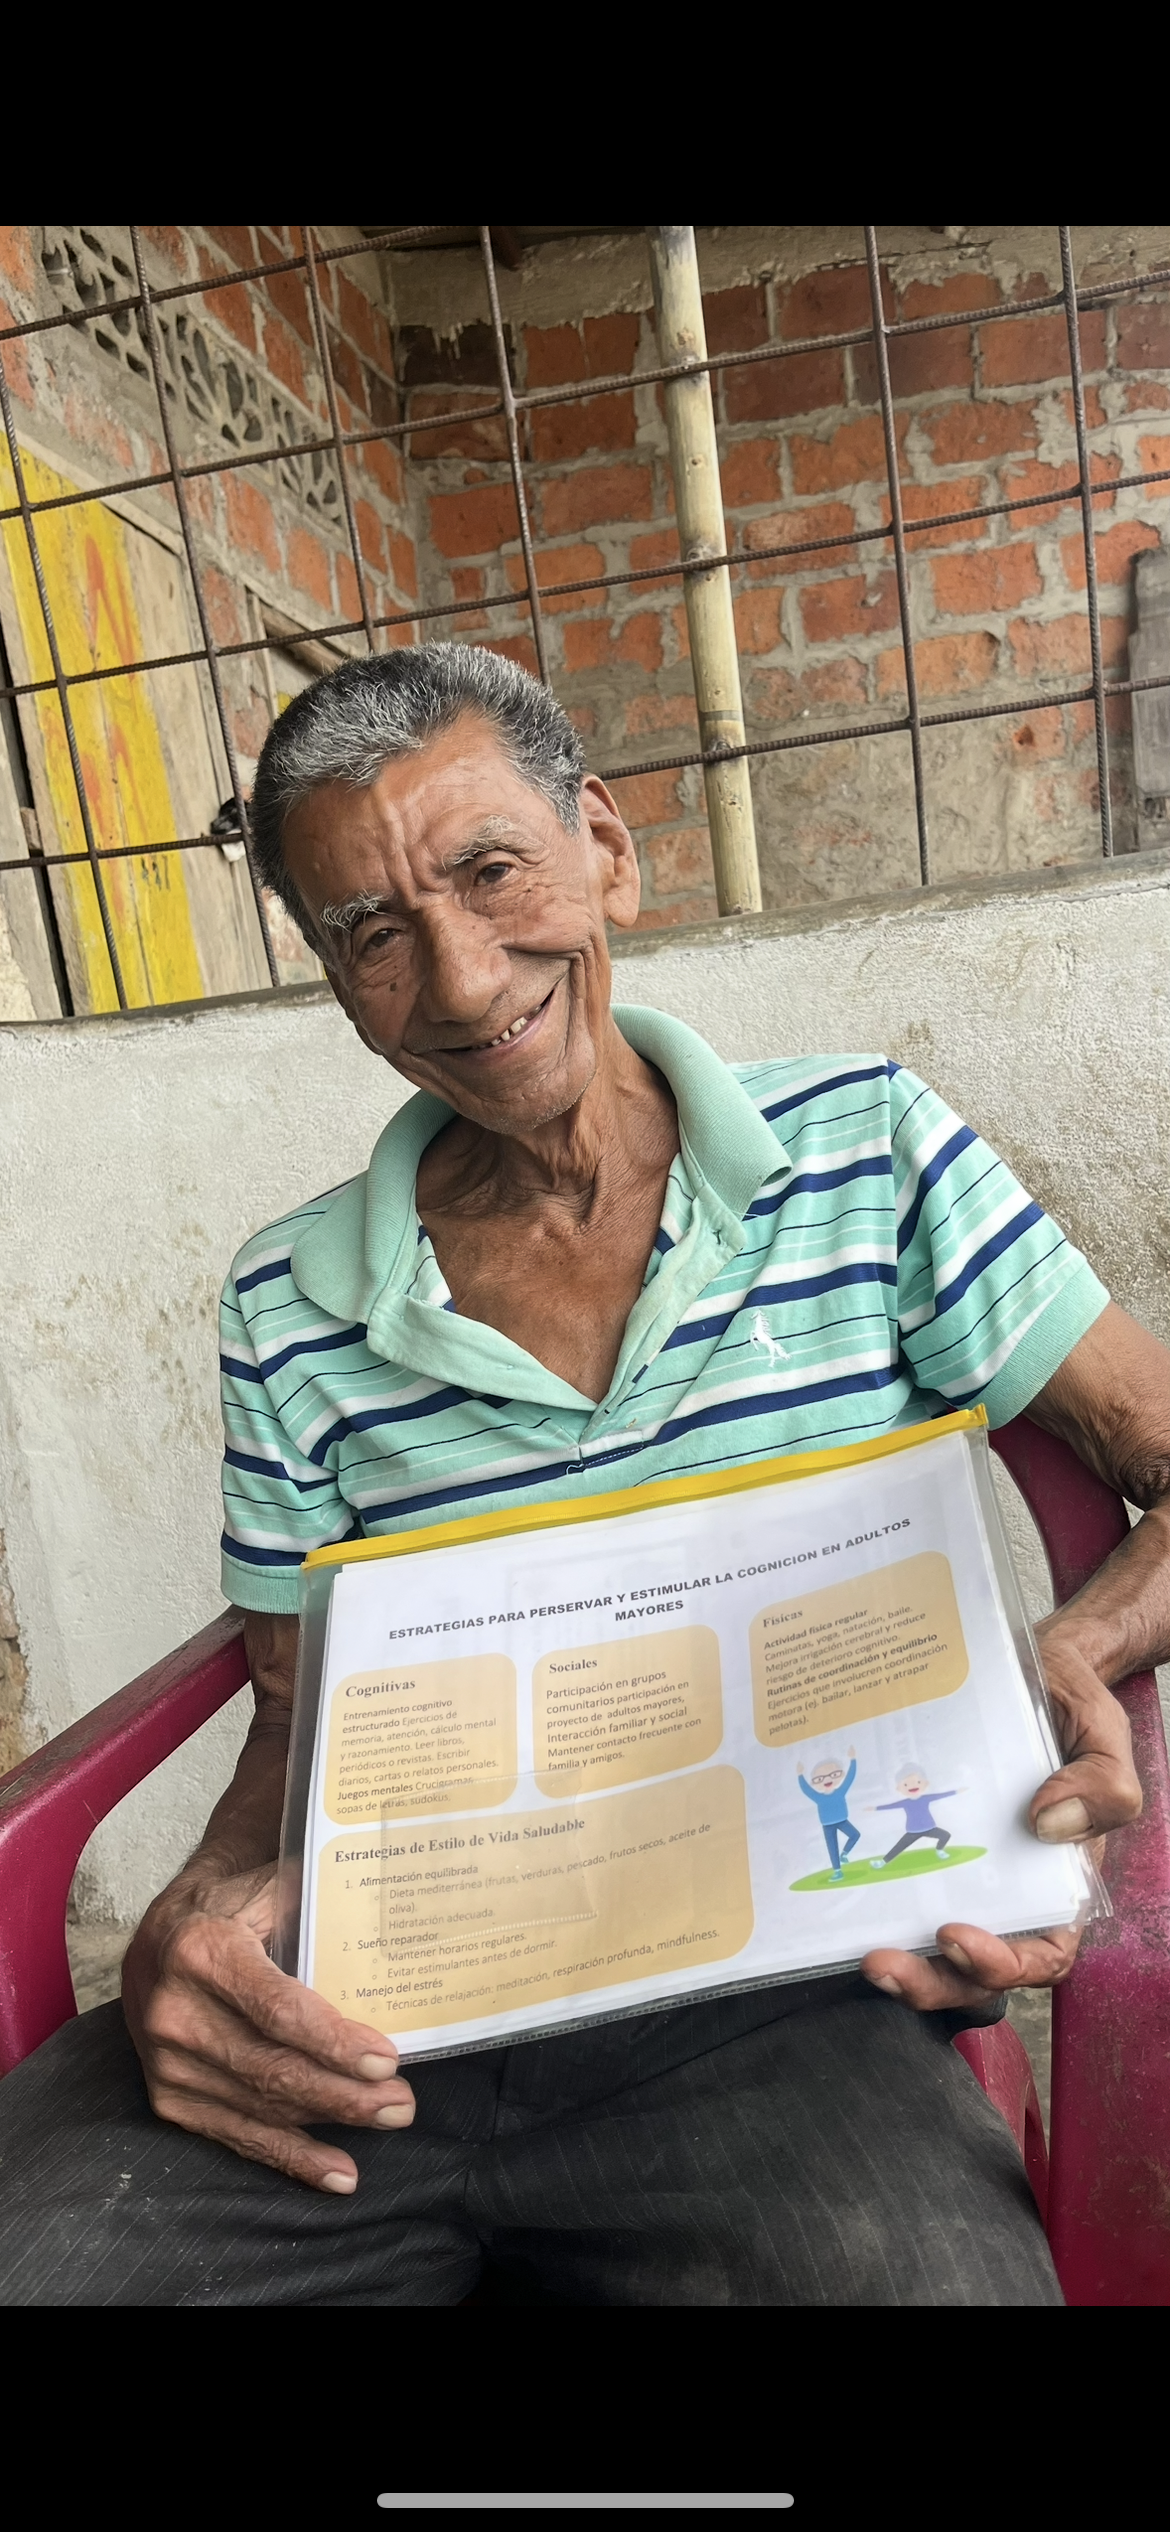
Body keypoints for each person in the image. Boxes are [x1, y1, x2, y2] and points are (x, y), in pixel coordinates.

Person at [0, 643, 1162, 2309]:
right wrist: (193, 1913)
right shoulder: (288, 1300)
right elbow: (294, 1711)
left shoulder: (867, 1151)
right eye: (373, 933)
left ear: (603, 848)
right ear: (335, 982)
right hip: (386, 2001)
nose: (463, 980)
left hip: (782, 2005)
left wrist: (1063, 1652)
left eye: (492, 871)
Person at [871, 1767, 962, 1865]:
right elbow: (891, 1806)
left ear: (924, 1784)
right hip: (913, 1831)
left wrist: (956, 1791)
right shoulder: (905, 1802)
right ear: (899, 1788)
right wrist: (875, 1808)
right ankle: (882, 1862)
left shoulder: (925, 1798)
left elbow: (940, 1795)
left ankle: (939, 1850)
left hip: (929, 1828)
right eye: (906, 1784)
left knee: (946, 1835)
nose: (913, 1786)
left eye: (917, 1782)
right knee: (899, 1847)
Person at [797, 1749, 861, 1878]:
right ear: (814, 1782)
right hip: (827, 1825)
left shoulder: (840, 1791)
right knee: (832, 1847)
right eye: (819, 1778)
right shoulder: (818, 1797)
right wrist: (800, 1775)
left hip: (842, 1820)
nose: (827, 1780)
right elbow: (806, 1790)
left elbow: (850, 1778)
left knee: (855, 1834)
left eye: (833, 1774)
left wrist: (853, 1759)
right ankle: (837, 1871)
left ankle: (844, 1854)